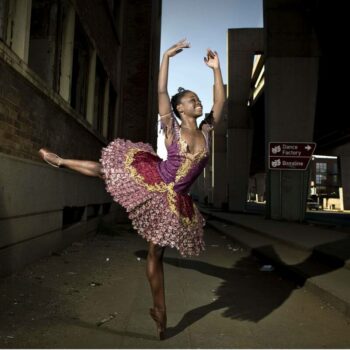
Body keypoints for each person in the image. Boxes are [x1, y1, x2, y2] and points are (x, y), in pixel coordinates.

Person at [38, 38, 226, 340]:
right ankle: (60, 161)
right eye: (191, 100)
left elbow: (219, 102)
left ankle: (158, 309)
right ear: (179, 108)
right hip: (154, 178)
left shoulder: (206, 130)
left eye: (197, 100)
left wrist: (216, 71)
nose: (198, 102)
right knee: (106, 171)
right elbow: (161, 91)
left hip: (175, 200)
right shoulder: (171, 128)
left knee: (155, 253)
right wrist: (166, 55)